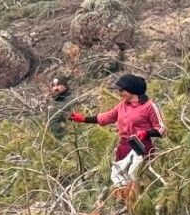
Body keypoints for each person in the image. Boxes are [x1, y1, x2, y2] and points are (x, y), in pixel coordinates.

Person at [70, 73, 165, 204]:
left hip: (141, 148)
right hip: (124, 147)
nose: (119, 93)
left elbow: (161, 128)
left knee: (137, 181)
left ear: (131, 89)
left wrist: (146, 133)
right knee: (121, 181)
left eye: (122, 90)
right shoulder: (122, 106)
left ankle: (143, 206)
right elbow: (106, 117)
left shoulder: (149, 106)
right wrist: (84, 119)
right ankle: (124, 206)